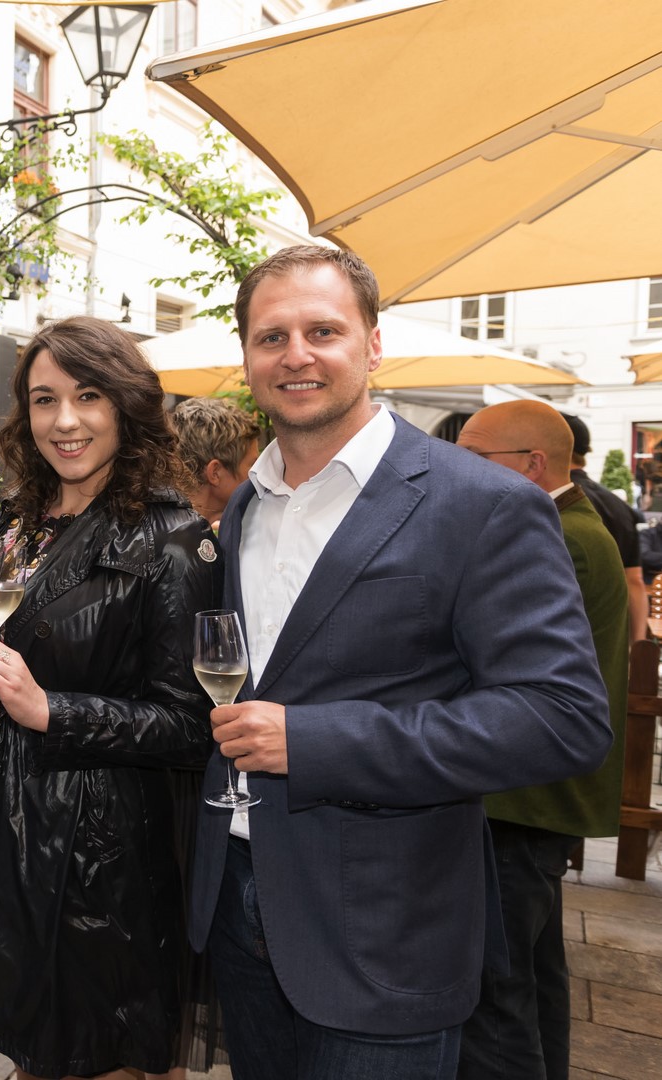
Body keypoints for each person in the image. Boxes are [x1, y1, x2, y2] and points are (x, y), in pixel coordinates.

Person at [189, 245, 611, 1080]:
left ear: (373, 345)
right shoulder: (246, 508)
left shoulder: (484, 504)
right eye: (272, 337)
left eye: (323, 331)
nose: (296, 355)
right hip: (238, 898)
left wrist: (316, 742)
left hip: (385, 927)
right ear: (247, 357)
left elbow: (562, 718)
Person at [0, 316, 219, 1079]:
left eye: (88, 396)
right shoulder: (19, 521)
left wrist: (53, 710)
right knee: (38, 1052)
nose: (65, 420)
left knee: (96, 1057)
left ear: (127, 404)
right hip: (8, 835)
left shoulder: (172, 539)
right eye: (44, 398)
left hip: (99, 866)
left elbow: (194, 726)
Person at [456, 402, 629, 1080]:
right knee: (532, 975)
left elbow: (506, 667)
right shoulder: (568, 524)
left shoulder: (559, 534)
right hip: (530, 792)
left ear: (532, 464)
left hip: (523, 794)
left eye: (475, 459)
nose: (460, 471)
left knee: (496, 992)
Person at [562, 412, 648, 640]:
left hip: (571, 635)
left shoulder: (558, 501)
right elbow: (634, 581)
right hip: (608, 635)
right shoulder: (617, 504)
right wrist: (638, 644)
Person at [174, 396, 261, 530]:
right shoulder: (182, 537)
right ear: (215, 473)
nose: (259, 476)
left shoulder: (167, 525)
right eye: (252, 465)